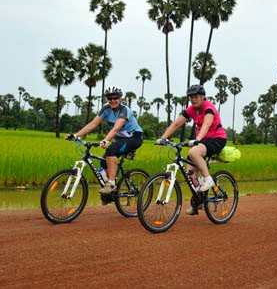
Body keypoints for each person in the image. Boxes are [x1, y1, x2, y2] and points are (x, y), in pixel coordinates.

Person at [158, 84, 227, 215]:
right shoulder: (191, 110)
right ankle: (198, 201)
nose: (193, 99)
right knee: (190, 173)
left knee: (193, 152)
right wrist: (163, 138)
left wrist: (198, 139)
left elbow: (207, 124)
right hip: (202, 142)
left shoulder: (209, 108)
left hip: (216, 139)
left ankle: (208, 179)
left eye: (195, 97)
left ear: (202, 97)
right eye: (191, 97)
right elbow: (177, 123)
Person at [66, 85, 144, 195]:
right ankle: (111, 192)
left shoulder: (124, 110)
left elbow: (116, 128)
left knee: (111, 150)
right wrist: (76, 135)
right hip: (120, 138)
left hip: (134, 137)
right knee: (103, 162)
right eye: (110, 98)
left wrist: (105, 140)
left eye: (115, 98)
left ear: (120, 98)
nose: (113, 100)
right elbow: (93, 124)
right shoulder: (106, 109)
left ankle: (111, 183)